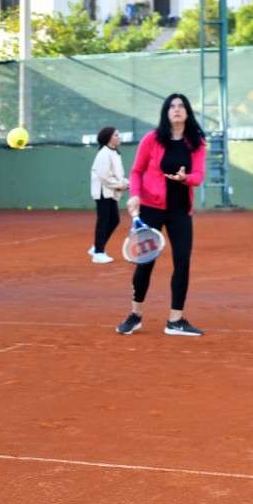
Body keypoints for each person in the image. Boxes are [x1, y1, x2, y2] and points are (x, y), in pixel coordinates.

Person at [116, 94, 206, 337]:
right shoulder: (152, 139)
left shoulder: (196, 142)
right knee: (144, 263)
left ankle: (175, 320)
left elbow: (198, 176)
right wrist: (134, 195)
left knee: (182, 262)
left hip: (180, 212)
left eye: (181, 106)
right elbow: (136, 172)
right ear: (166, 113)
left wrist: (184, 178)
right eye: (172, 106)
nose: (176, 110)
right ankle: (135, 315)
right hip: (150, 210)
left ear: (187, 112)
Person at [88, 126, 128, 263]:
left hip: (110, 191)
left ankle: (97, 247)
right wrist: (121, 185)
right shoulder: (104, 153)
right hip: (102, 192)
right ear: (108, 138)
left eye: (119, 135)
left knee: (114, 220)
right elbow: (104, 177)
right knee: (103, 221)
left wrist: (125, 183)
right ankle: (98, 253)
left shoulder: (115, 153)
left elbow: (116, 175)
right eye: (116, 135)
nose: (119, 137)